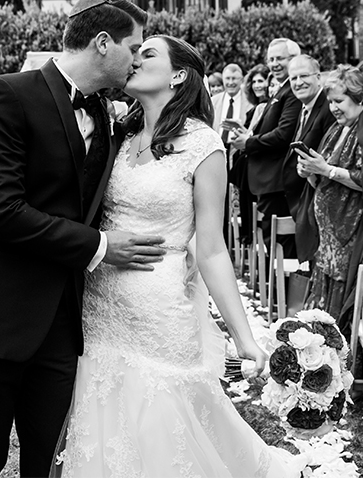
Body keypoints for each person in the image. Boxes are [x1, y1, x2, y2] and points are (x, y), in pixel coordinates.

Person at [0, 0, 167, 477]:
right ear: (103, 43)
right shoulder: (8, 93)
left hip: (59, 322)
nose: (137, 57)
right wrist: (99, 247)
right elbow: (2, 211)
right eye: (133, 45)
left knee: (53, 464)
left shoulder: (106, 113)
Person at [55, 34, 306, 477]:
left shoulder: (203, 145)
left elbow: (210, 249)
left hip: (159, 312)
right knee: (106, 429)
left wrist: (243, 338)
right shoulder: (118, 132)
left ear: (178, 75)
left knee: (163, 431)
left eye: (147, 53)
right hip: (98, 308)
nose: (134, 59)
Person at [296, 66, 363, 324]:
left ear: (358, 96)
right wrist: (310, 171)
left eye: (339, 101)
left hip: (352, 234)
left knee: (341, 304)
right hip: (328, 236)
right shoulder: (337, 128)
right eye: (329, 101)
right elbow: (325, 174)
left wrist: (326, 170)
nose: (333, 107)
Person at [231, 39, 304, 260]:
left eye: (279, 58)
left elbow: (284, 135)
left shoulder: (292, 90)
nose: (274, 64)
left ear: (294, 60)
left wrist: (249, 142)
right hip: (267, 181)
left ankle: (283, 291)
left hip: (277, 181)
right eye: (270, 59)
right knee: (270, 241)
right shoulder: (280, 90)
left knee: (280, 244)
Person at [281, 54, 336, 264]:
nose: (298, 82)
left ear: (319, 77)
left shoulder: (327, 108)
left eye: (304, 76)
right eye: (293, 78)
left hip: (318, 200)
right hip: (300, 198)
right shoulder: (304, 108)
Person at [231, 63, 269, 246]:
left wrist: (247, 137)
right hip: (247, 165)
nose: (257, 85)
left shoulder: (268, 107)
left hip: (260, 166)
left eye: (261, 81)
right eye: (254, 82)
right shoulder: (254, 109)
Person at [211, 63, 249, 146]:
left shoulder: (249, 102)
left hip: (238, 150)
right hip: (217, 148)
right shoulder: (213, 101)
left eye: (234, 78)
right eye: (227, 78)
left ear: (241, 80)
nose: (230, 82)